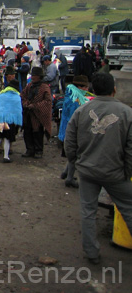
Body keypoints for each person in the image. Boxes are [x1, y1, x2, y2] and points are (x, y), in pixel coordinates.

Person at [64, 72, 132, 265]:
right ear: (114, 90)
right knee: (128, 209)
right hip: (116, 173)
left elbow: (70, 141)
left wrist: (75, 162)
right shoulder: (127, 112)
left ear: (92, 90)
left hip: (87, 171)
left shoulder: (82, 110)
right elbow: (131, 148)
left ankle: (91, 252)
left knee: (88, 211)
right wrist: (127, 171)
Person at [58, 75, 93, 188]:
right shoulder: (76, 99)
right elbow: (76, 117)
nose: (87, 90)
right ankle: (69, 178)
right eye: (86, 87)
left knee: (72, 154)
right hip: (73, 131)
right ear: (80, 87)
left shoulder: (70, 95)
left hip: (66, 129)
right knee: (75, 155)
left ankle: (66, 172)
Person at [20, 66, 52, 158]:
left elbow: (48, 101)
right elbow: (23, 95)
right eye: (32, 75)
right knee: (27, 132)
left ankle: (38, 151)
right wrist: (25, 103)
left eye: (35, 75)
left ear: (39, 76)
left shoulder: (44, 87)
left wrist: (35, 106)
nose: (33, 77)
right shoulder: (29, 86)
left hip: (38, 115)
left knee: (37, 133)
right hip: (28, 114)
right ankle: (29, 150)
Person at [0, 78, 23, 163]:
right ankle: (6, 157)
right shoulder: (16, 97)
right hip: (9, 121)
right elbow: (18, 110)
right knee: (7, 139)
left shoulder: (1, 94)